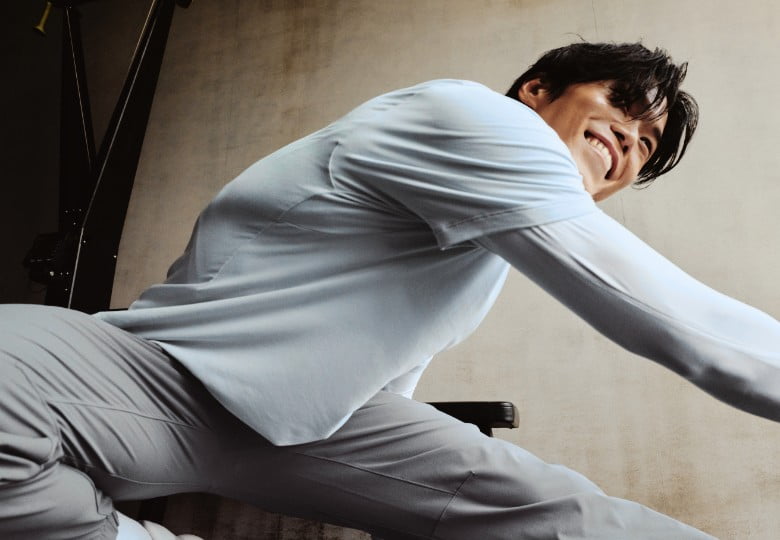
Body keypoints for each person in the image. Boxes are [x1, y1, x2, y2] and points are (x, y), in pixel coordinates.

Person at [3, 40, 776, 539]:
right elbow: (682, 324)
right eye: (619, 107)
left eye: (645, 145)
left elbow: (382, 356)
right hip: (165, 378)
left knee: (564, 515)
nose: (628, 142)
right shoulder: (481, 120)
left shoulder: (500, 226)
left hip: (318, 424)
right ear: (537, 91)